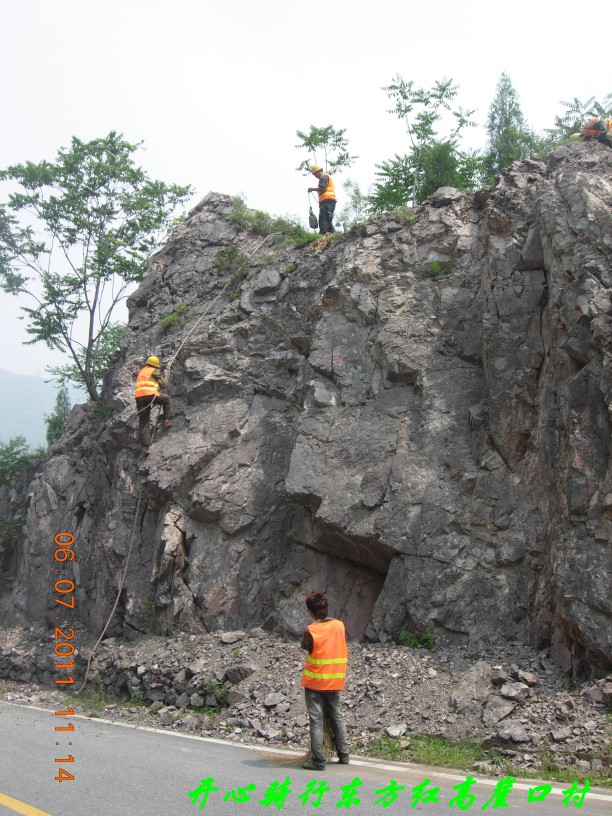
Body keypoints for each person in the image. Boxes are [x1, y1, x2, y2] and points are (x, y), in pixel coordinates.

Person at [300, 591, 350, 771]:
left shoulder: (311, 630)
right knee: (337, 716)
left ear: (310, 612)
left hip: (315, 682)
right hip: (334, 680)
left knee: (316, 720)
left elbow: (306, 647)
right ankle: (344, 755)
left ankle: (318, 761)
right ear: (326, 608)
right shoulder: (339, 626)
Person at [134, 355, 172, 454]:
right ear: (155, 365)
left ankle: (146, 447)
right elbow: (163, 384)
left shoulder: (142, 371)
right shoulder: (153, 370)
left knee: (144, 421)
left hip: (139, 397)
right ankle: (166, 421)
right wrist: (166, 373)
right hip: (149, 395)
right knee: (166, 399)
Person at [308, 165, 337, 234]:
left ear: (318, 171)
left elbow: (322, 188)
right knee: (328, 219)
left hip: (327, 201)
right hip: (330, 201)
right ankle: (331, 235)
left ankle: (323, 235)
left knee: (323, 219)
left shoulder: (323, 176)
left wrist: (312, 189)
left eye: (315, 174)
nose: (315, 176)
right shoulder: (326, 176)